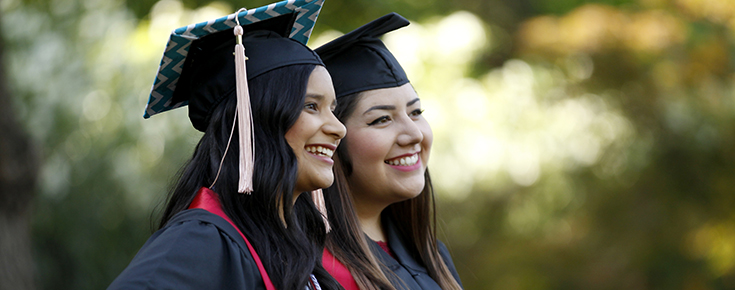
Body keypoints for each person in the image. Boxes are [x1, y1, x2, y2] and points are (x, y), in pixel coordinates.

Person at [108, 1, 346, 289]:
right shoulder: (202, 240)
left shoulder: (286, 245)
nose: (338, 128)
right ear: (253, 120)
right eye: (311, 106)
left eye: (333, 109)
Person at [316, 13, 463, 290]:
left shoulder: (432, 256)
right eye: (381, 119)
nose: (414, 134)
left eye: (416, 112)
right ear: (331, 137)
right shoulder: (312, 268)